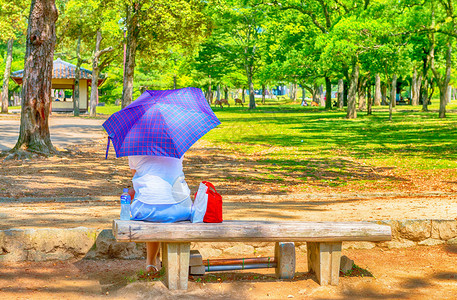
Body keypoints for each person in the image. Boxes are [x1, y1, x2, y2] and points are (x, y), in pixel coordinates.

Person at [128, 155, 193, 273]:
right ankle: (174, 266)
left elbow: (136, 176)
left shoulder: (135, 150)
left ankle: (151, 263)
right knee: (161, 204)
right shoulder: (176, 147)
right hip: (180, 209)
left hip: (147, 210)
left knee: (152, 206)